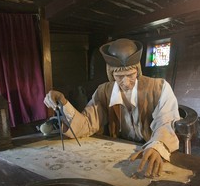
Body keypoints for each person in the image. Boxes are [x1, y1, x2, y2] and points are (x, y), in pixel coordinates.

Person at [44, 38, 180, 177]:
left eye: (130, 75)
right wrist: (64, 103)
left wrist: (157, 147)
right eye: (119, 76)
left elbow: (165, 123)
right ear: (111, 73)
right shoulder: (104, 92)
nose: (126, 82)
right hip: (119, 151)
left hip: (151, 150)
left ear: (137, 71)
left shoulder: (159, 87)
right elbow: (87, 124)